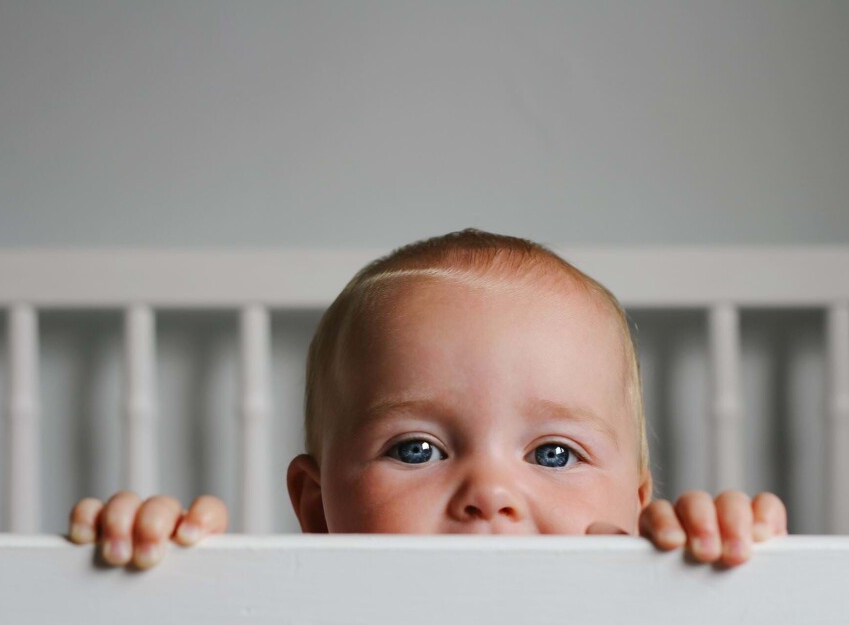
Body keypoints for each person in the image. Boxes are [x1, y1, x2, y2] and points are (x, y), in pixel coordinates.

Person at [68, 229, 787, 569]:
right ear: (316, 508)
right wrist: (145, 581)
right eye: (417, 449)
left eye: (555, 452)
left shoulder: (652, 606)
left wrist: (728, 582)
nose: (490, 494)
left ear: (636, 505)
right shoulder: (280, 611)